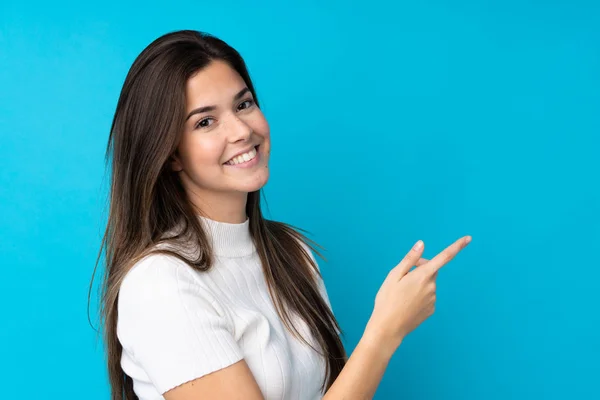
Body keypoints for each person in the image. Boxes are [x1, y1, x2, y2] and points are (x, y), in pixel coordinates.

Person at [94, 29, 472, 400]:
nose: (242, 130)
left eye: (243, 104)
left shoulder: (291, 253)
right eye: (205, 122)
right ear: (171, 153)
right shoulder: (162, 284)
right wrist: (384, 331)